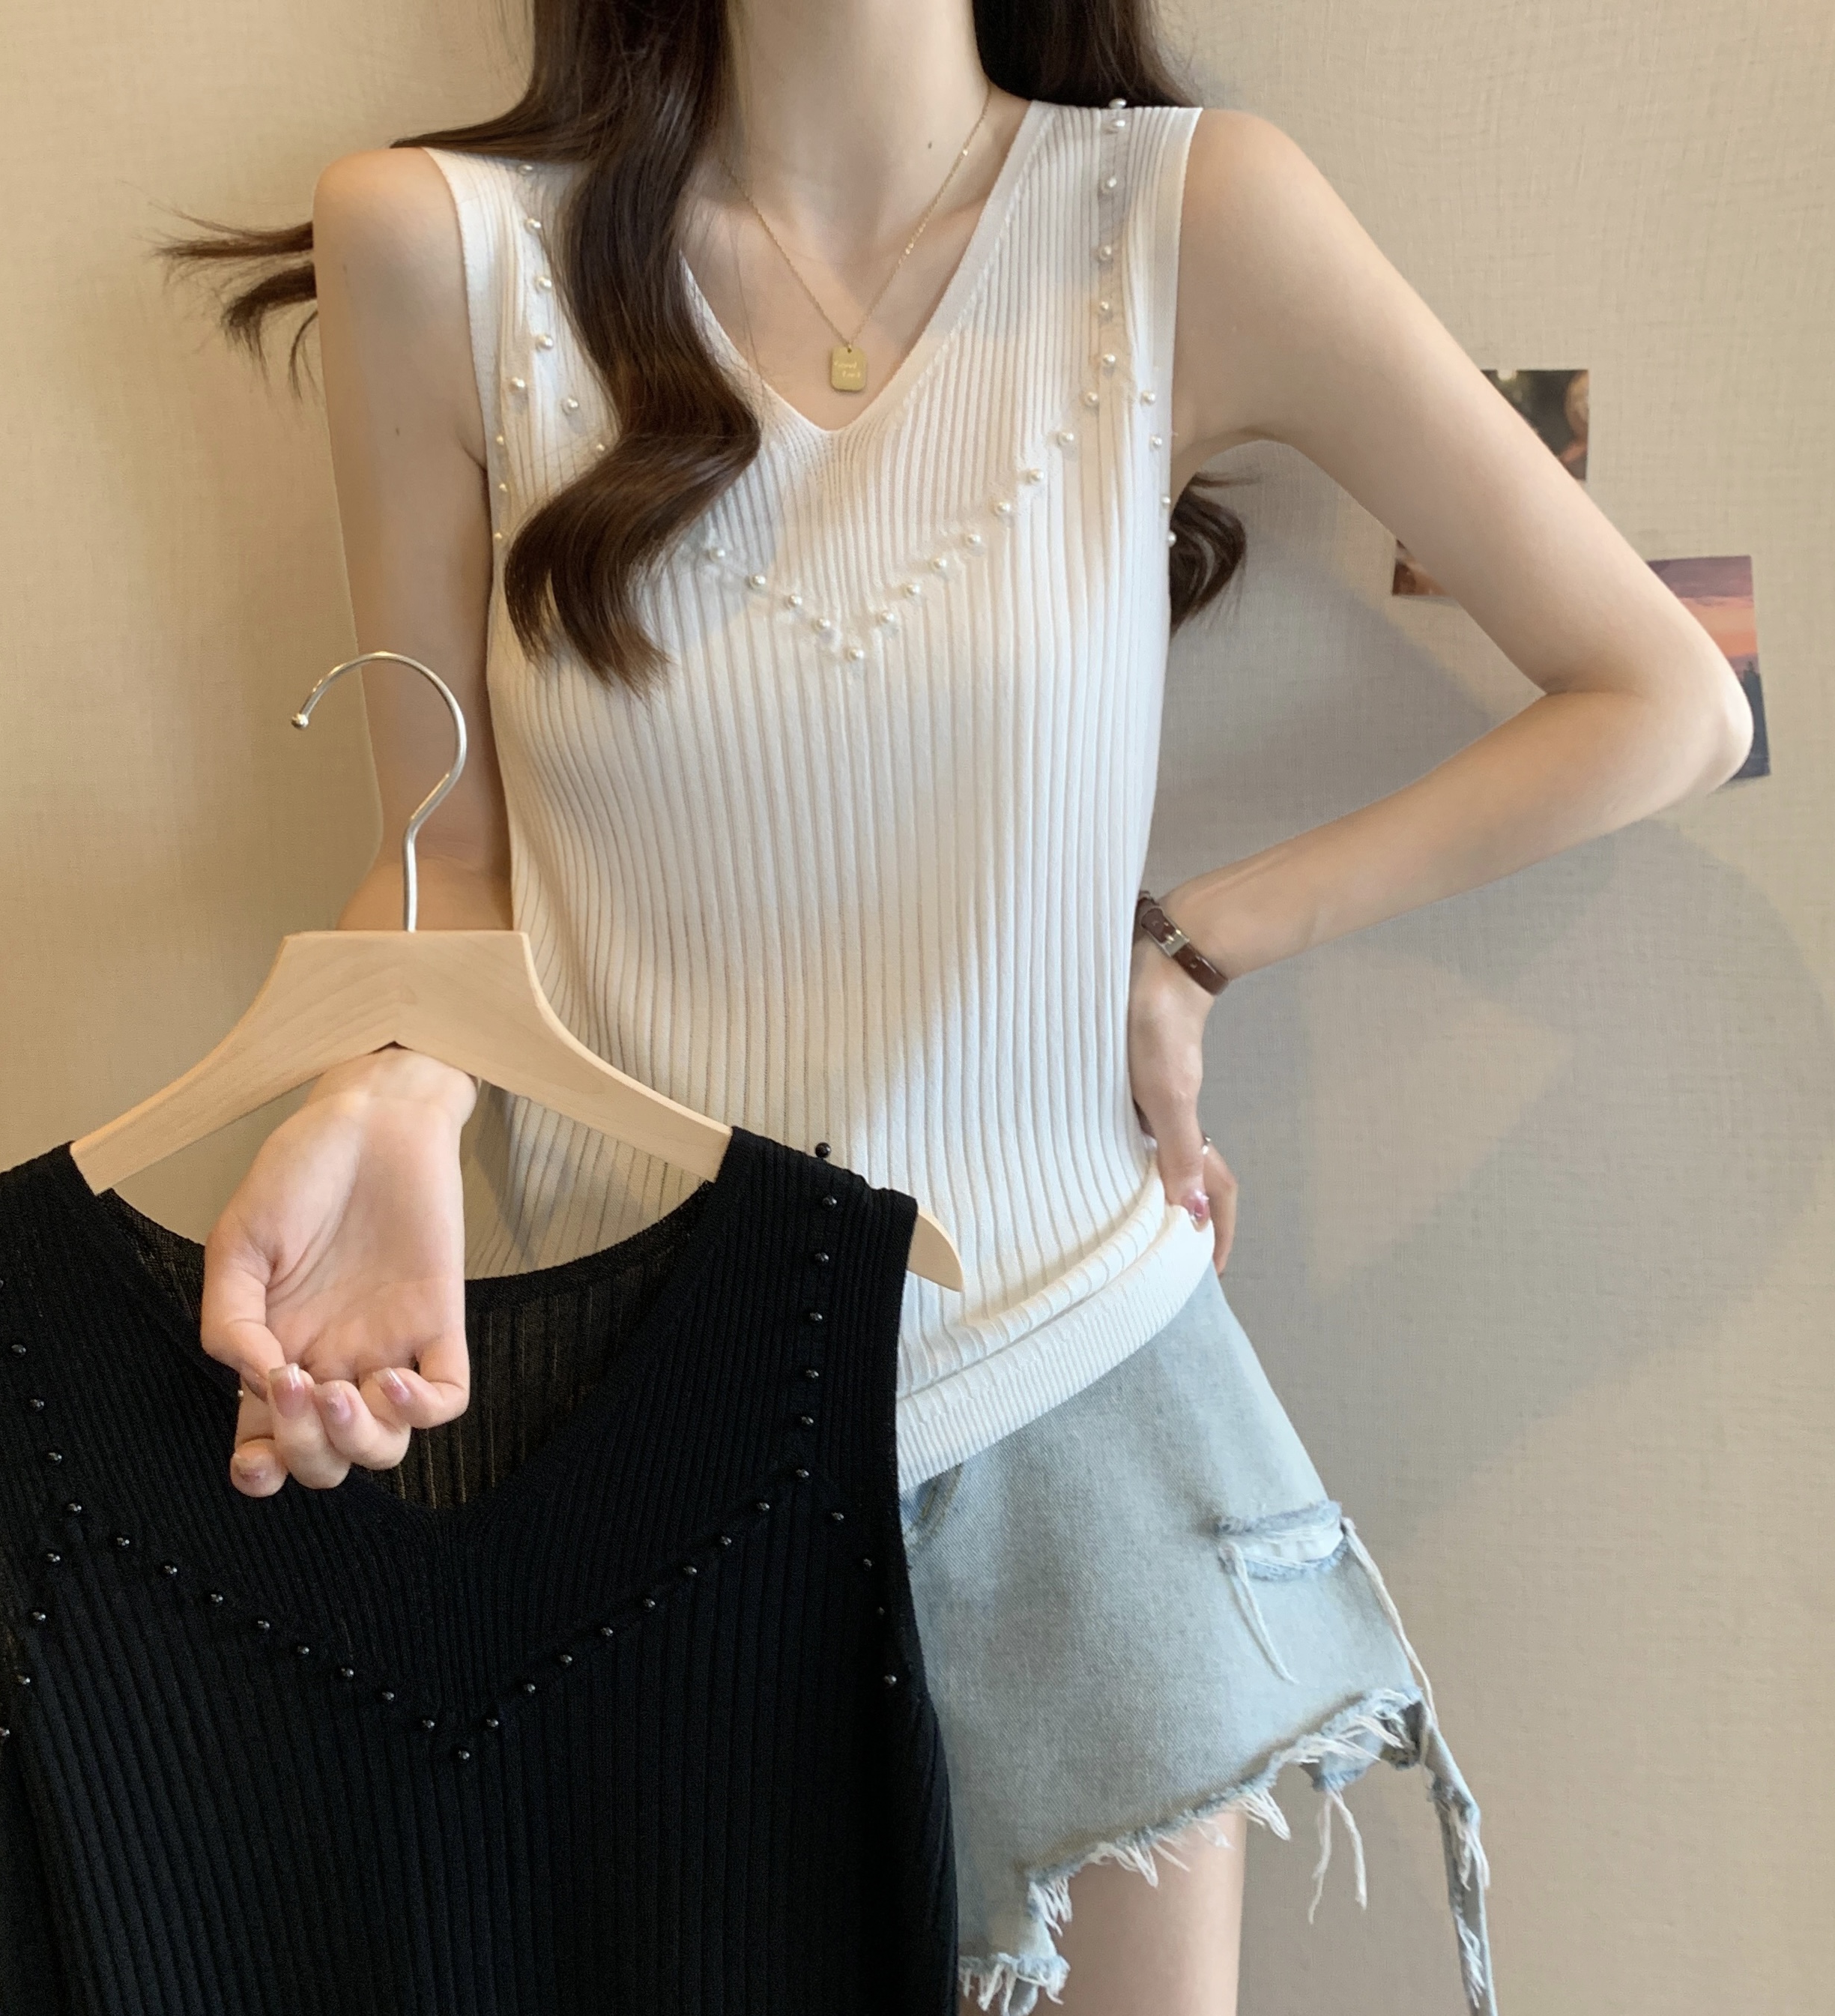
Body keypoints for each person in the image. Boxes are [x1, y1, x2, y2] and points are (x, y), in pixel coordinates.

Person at [159, 2, 1753, 2011]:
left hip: (1082, 1404)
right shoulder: (439, 248)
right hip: (643, 1435)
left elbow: (1666, 700)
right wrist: (383, 1096)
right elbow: (440, 857)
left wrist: (1195, 946)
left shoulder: (1184, 220)